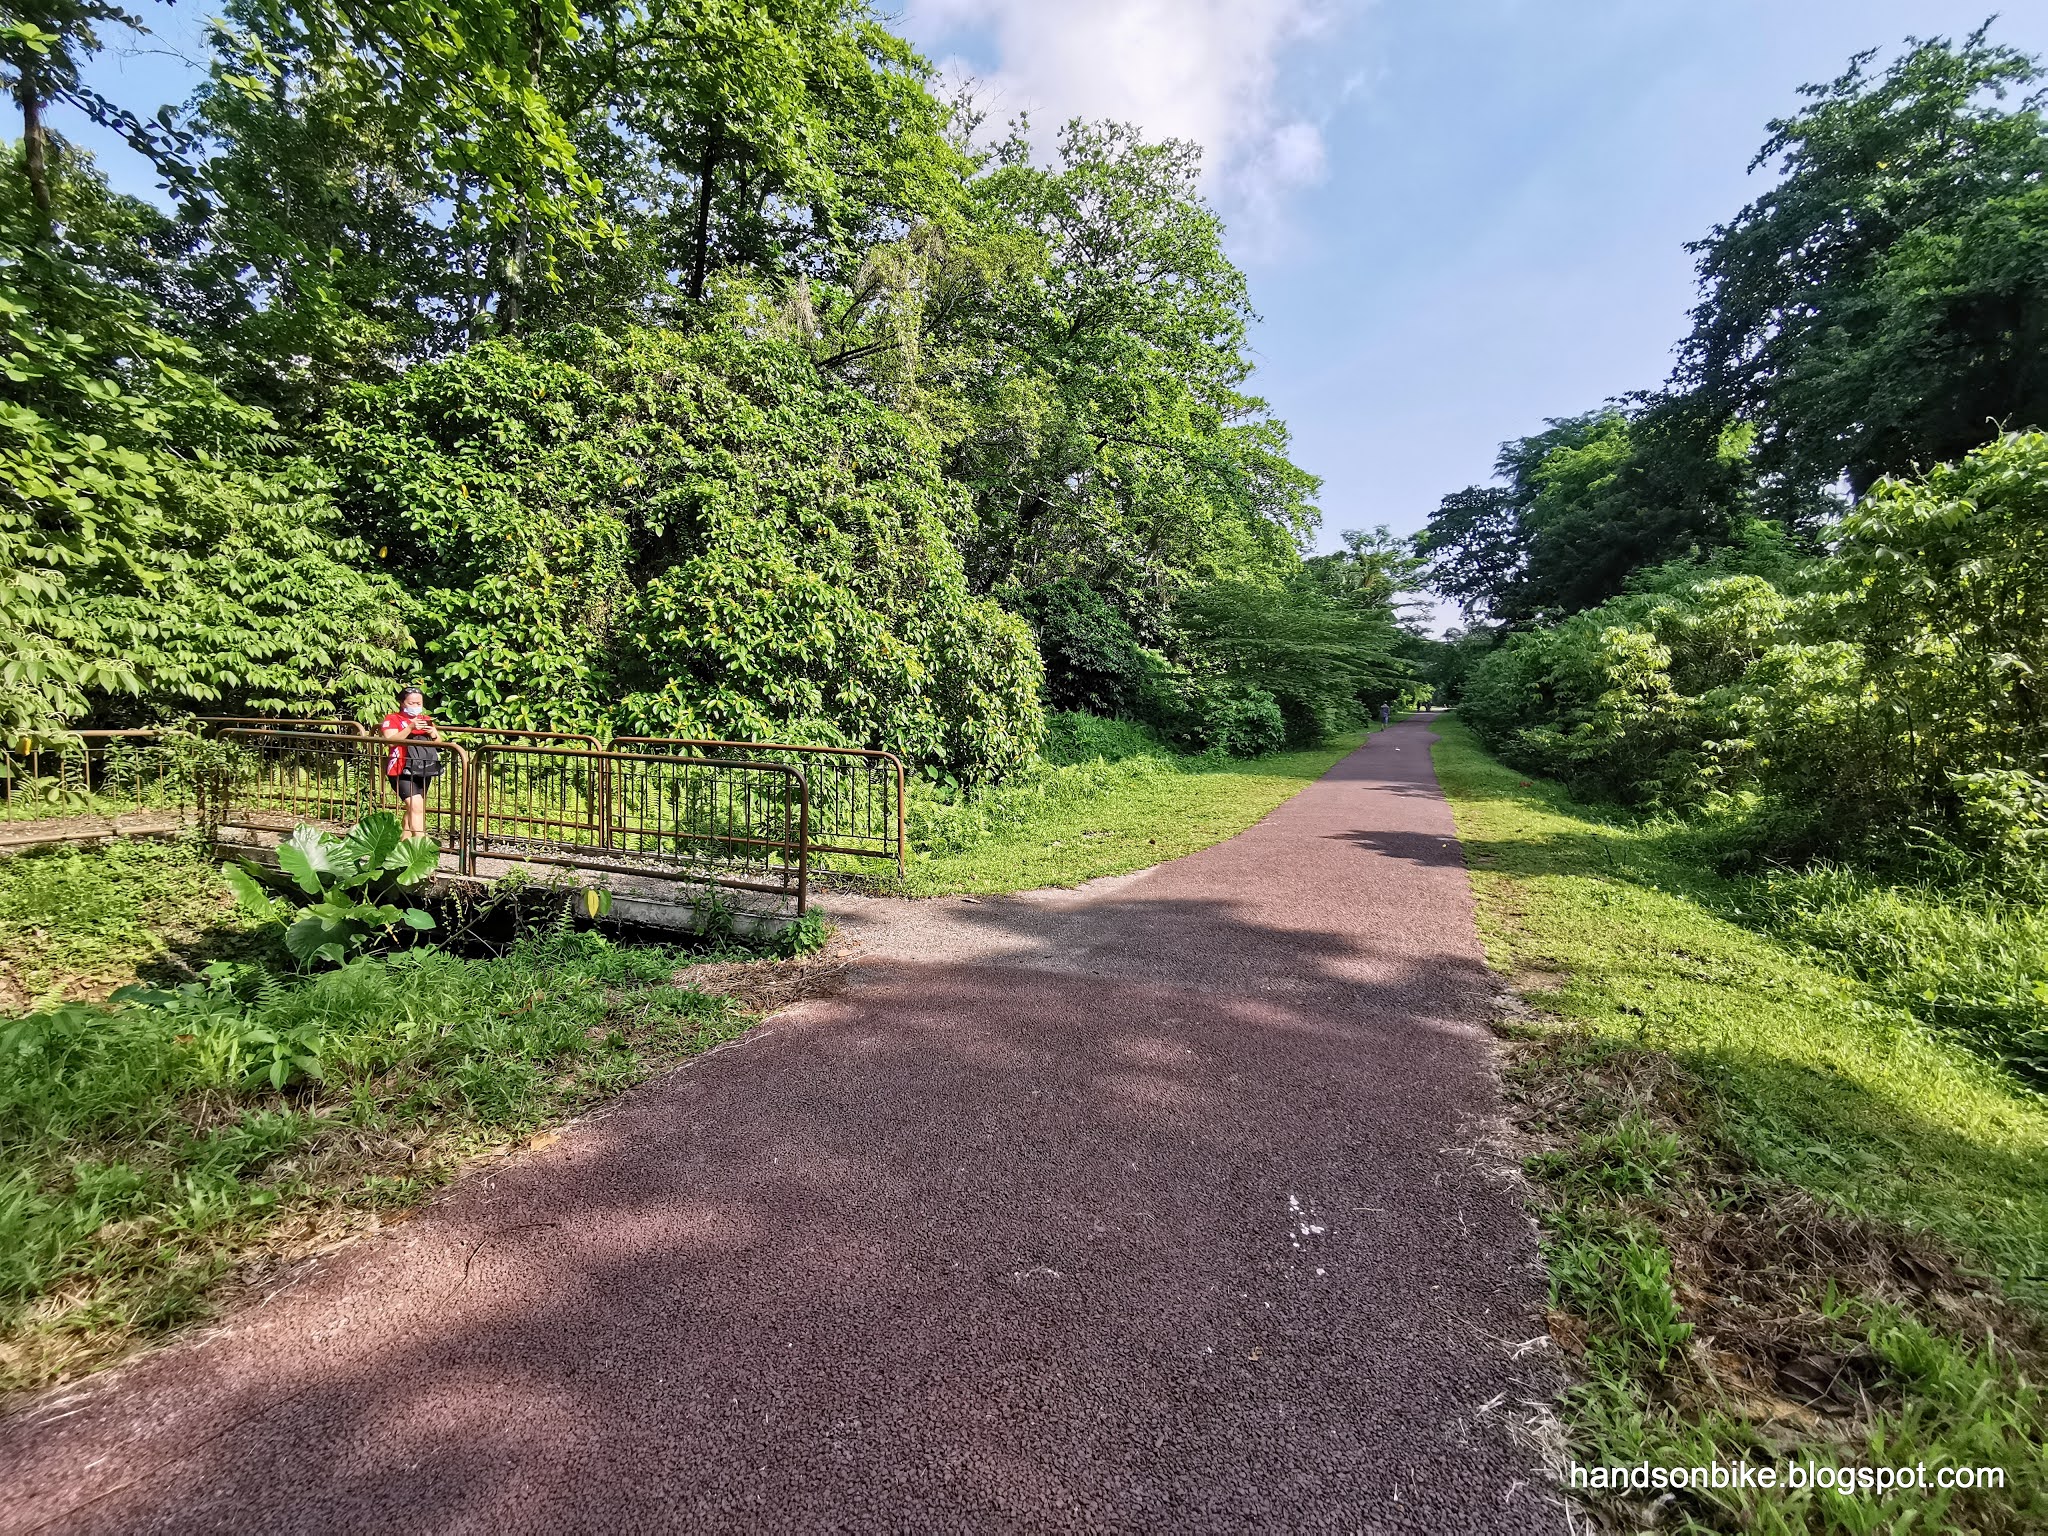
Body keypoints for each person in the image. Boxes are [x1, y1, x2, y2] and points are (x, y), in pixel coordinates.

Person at [379, 685, 445, 839]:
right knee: (415, 806)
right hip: (400, 768)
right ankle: (421, 845)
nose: (416, 707)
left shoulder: (425, 719)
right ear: (402, 703)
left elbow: (439, 742)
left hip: (423, 767)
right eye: (411, 703)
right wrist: (410, 727)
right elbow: (390, 741)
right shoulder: (392, 719)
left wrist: (433, 733)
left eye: (418, 704)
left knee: (414, 808)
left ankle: (404, 844)